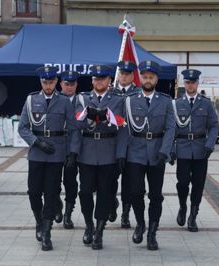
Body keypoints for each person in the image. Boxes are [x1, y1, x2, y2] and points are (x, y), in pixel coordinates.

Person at [18, 66, 80, 251]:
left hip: (56, 152)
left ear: (56, 82)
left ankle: (46, 231)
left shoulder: (64, 102)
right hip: (37, 152)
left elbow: (74, 129)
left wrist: (72, 153)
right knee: (34, 192)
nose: (48, 85)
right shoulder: (31, 100)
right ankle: (39, 221)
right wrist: (36, 143)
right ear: (41, 82)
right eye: (45, 82)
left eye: (51, 81)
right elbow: (23, 127)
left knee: (52, 193)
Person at [75, 65, 127, 250]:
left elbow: (122, 127)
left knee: (105, 193)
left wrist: (121, 154)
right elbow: (76, 126)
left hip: (109, 152)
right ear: (92, 80)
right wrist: (74, 152)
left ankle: (99, 231)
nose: (99, 81)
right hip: (87, 152)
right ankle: (89, 225)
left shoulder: (118, 100)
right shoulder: (82, 98)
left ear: (109, 80)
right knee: (85, 192)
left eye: (103, 78)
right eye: (96, 79)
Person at [125, 60, 175, 250]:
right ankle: (140, 223)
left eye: (151, 77)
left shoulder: (165, 101)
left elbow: (171, 128)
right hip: (135, 152)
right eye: (145, 77)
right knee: (135, 192)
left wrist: (165, 151)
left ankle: (152, 233)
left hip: (157, 153)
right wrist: (122, 154)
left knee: (155, 195)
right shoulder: (130, 100)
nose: (147, 80)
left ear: (156, 79)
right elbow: (124, 128)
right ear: (140, 78)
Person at [173, 69, 218, 232]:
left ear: (197, 83)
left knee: (198, 184)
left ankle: (193, 215)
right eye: (187, 82)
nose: (190, 85)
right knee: (182, 183)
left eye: (193, 82)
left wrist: (210, 144)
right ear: (184, 84)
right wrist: (171, 148)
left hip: (201, 149)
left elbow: (213, 126)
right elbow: (172, 128)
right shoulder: (177, 103)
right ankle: (183, 206)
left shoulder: (206, 103)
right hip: (183, 148)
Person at [109, 60, 138, 227]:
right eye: (122, 73)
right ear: (118, 75)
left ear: (132, 75)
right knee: (110, 179)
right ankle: (112, 203)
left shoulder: (138, 93)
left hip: (132, 145)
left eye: (127, 74)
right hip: (112, 144)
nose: (124, 77)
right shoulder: (110, 93)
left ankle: (126, 213)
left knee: (128, 182)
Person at [59, 70, 80, 229]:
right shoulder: (54, 99)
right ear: (61, 85)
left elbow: (78, 129)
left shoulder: (82, 101)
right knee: (51, 182)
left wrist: (73, 152)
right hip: (55, 147)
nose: (69, 87)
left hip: (73, 147)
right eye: (66, 84)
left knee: (70, 182)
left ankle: (68, 214)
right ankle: (56, 204)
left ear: (76, 85)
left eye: (72, 84)